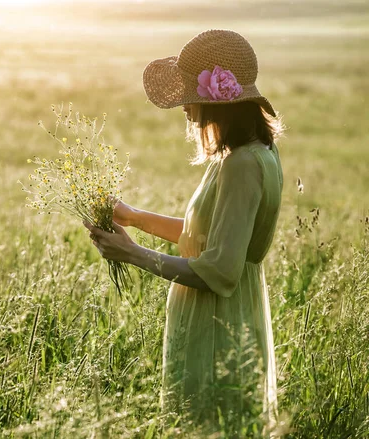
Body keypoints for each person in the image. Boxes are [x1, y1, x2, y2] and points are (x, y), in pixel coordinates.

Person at [83, 29, 283, 436]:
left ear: (216, 103)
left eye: (190, 99)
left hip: (218, 325)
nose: (187, 110)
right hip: (217, 317)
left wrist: (133, 254)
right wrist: (134, 217)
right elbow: (209, 237)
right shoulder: (247, 154)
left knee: (207, 425)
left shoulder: (241, 166)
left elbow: (221, 270)